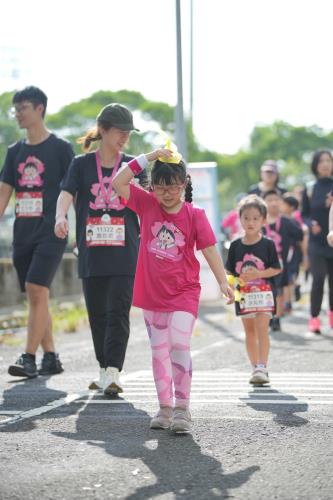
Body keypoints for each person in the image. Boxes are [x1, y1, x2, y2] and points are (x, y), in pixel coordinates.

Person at [112, 147, 234, 434]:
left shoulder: (195, 214)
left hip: (184, 292)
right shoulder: (146, 204)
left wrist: (223, 281)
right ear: (152, 187)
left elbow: (209, 249)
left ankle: (182, 407)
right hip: (152, 293)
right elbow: (118, 182)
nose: (167, 193)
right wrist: (149, 156)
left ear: (184, 184)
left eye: (173, 187)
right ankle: (165, 407)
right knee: (158, 350)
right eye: (161, 187)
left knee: (179, 343)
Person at [55, 103, 148, 396]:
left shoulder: (133, 164)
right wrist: (60, 216)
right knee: (97, 313)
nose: (125, 137)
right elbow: (66, 194)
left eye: (128, 133)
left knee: (118, 311)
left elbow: (147, 202)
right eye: (120, 131)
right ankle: (102, 368)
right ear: (104, 130)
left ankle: (113, 371)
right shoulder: (81, 165)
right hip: (91, 250)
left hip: (125, 251)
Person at [0, 86, 74, 378]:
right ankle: (51, 356)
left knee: (35, 288)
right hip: (22, 233)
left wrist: (83, 232)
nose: (18, 114)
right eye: (15, 109)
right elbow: (4, 192)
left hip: (51, 231)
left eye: (23, 108)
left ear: (40, 109)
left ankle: (29, 357)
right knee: (36, 296)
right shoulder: (14, 152)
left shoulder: (60, 149)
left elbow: (76, 192)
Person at [225, 195, 281, 385]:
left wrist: (259, 273)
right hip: (244, 296)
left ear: (264, 220)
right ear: (239, 219)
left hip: (264, 294)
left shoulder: (268, 244)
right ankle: (254, 367)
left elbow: (276, 268)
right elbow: (229, 271)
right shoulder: (235, 246)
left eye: (256, 218)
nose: (251, 222)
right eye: (246, 218)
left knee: (262, 330)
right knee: (249, 332)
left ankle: (262, 367)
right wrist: (230, 287)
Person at [302, 149, 333, 334]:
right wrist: (310, 223)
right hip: (316, 242)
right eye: (321, 161)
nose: (325, 164)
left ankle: (331, 315)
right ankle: (314, 317)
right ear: (315, 165)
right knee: (318, 279)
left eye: (328, 160)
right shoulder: (310, 187)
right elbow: (303, 214)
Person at [262, 190, 303, 331]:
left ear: (281, 202)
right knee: (266, 290)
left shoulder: (286, 221)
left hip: (280, 263)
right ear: (263, 203)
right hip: (262, 265)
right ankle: (268, 316)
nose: (273, 203)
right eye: (269, 200)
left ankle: (277, 318)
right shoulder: (259, 221)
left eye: (276, 199)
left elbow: (299, 234)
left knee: (279, 291)